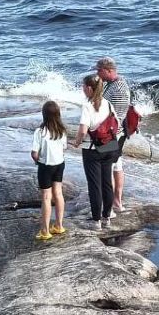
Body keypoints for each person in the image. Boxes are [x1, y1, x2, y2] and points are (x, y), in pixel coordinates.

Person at [72, 73, 117, 228]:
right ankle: (107, 218)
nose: (82, 89)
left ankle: (96, 221)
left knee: (94, 185)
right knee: (107, 183)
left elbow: (83, 130)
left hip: (92, 149)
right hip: (109, 146)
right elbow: (115, 124)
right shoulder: (108, 104)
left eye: (84, 86)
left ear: (90, 89)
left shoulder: (87, 106)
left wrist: (77, 142)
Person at [96, 56, 130, 212]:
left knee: (107, 168)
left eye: (99, 71)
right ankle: (117, 202)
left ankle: (109, 205)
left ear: (109, 70)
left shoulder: (116, 89)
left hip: (111, 134)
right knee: (117, 166)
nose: (97, 73)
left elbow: (107, 113)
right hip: (119, 132)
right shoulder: (119, 83)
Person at [30, 101, 68, 241]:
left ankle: (45, 231)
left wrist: (37, 160)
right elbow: (64, 147)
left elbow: (34, 153)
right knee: (58, 193)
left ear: (44, 115)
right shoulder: (62, 130)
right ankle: (59, 225)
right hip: (59, 164)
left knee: (46, 197)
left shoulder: (40, 132)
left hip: (46, 165)